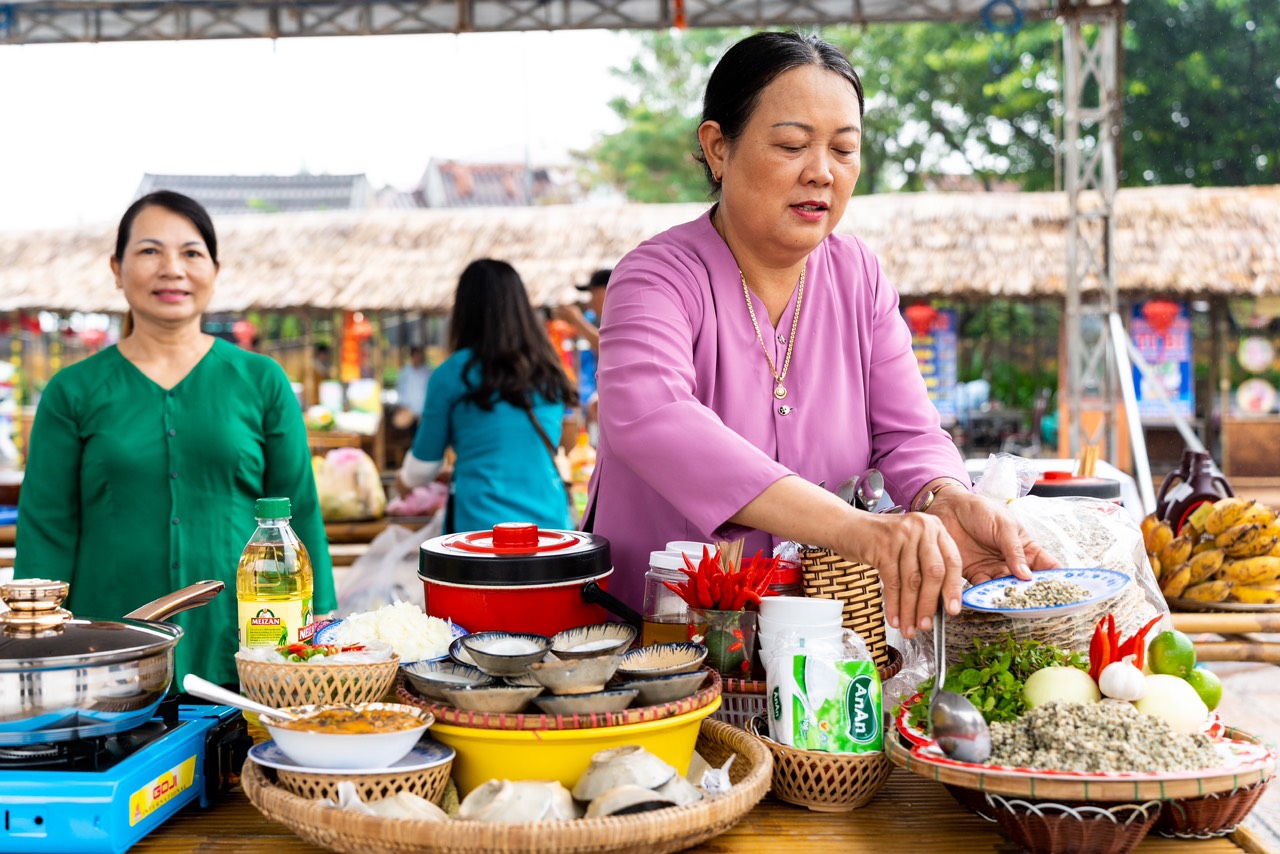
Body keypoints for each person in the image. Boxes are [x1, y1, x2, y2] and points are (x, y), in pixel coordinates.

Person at [587, 31, 1058, 639]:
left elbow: (909, 434)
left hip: (817, 638)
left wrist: (946, 497)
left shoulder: (857, 274)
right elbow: (653, 419)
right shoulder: (655, 277)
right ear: (717, 148)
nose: (821, 172)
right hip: (662, 640)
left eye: (844, 149)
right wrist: (856, 529)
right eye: (791, 145)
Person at [15, 190, 336, 687]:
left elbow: (303, 516)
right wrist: (38, 657)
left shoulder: (261, 381)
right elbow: (46, 532)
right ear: (117, 269)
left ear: (214, 269)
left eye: (191, 252)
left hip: (252, 650)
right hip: (106, 662)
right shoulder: (72, 392)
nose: (172, 268)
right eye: (149, 251)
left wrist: (323, 634)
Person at [398, 259, 578, 533]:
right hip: (549, 529)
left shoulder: (452, 374)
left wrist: (404, 480)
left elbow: (421, 470)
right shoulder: (549, 371)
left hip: (482, 535)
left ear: (464, 310)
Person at [392, 345, 432, 431]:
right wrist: (403, 405)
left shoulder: (427, 372)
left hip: (423, 411)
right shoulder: (405, 372)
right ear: (412, 356)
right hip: (408, 410)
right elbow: (400, 389)